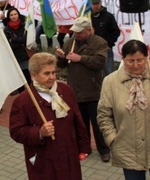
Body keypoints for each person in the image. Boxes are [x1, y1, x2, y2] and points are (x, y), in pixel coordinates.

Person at [97, 40, 150, 180]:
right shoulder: (111, 82)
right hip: (127, 149)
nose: (136, 65)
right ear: (123, 58)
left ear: (147, 58)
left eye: (140, 60)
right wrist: (112, 139)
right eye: (130, 61)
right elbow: (103, 115)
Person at [9, 52, 91, 180]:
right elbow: (15, 131)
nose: (52, 77)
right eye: (46, 74)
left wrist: (84, 147)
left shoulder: (66, 90)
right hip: (44, 161)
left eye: (53, 72)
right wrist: (39, 132)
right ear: (34, 75)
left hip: (69, 155)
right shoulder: (23, 101)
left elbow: (77, 121)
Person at [56, 17, 110, 162]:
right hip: (75, 90)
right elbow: (63, 65)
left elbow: (100, 62)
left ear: (88, 30)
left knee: (97, 122)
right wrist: (60, 58)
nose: (76, 35)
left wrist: (80, 58)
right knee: (81, 123)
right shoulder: (69, 42)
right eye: (75, 31)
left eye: (79, 32)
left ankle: (104, 149)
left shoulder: (99, 42)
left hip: (93, 89)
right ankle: (85, 148)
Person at [90, 0, 120, 76]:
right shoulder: (88, 17)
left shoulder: (108, 16)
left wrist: (109, 43)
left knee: (109, 73)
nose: (96, 6)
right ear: (91, 4)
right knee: (95, 74)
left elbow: (116, 31)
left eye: (97, 3)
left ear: (100, 3)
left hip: (106, 49)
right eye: (94, 4)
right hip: (92, 50)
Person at [4, 7, 32, 94]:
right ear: (9, 17)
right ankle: (22, 95)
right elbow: (7, 44)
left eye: (15, 14)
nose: (13, 16)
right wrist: (19, 41)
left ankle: (30, 95)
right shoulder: (7, 29)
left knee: (27, 77)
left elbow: (26, 40)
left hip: (24, 56)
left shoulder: (25, 26)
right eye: (11, 15)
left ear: (18, 15)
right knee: (19, 79)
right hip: (14, 57)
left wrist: (14, 40)